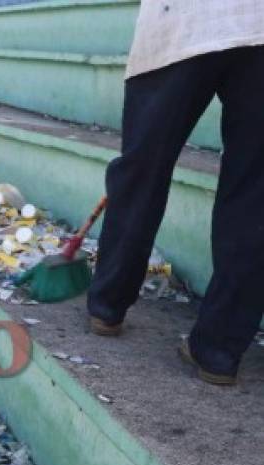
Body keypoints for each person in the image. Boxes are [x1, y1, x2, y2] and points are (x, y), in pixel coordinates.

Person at [87, 1, 264, 386]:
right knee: (254, 193)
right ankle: (218, 351)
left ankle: (107, 305)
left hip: (185, 22)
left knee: (141, 171)